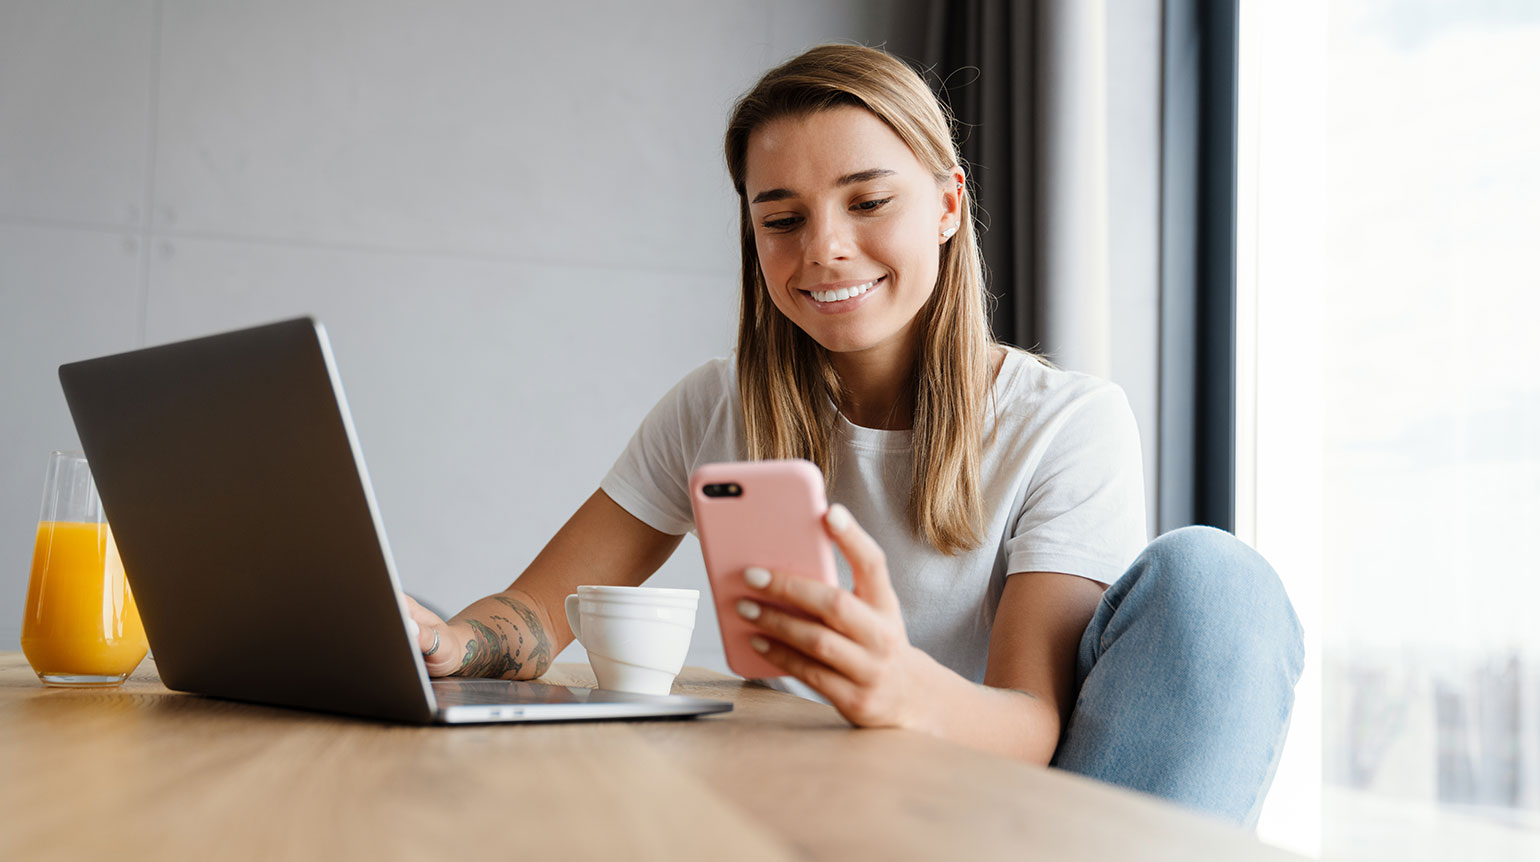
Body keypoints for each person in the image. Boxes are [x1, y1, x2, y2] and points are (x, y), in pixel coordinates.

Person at [403, 44, 1303, 826]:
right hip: (805, 801)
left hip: (990, 809)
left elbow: (1033, 724)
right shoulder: (714, 407)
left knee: (1218, 582)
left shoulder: (1065, 422)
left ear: (949, 206)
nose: (823, 249)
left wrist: (901, 690)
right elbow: (534, 615)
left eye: (868, 202)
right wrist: (452, 640)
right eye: (782, 219)